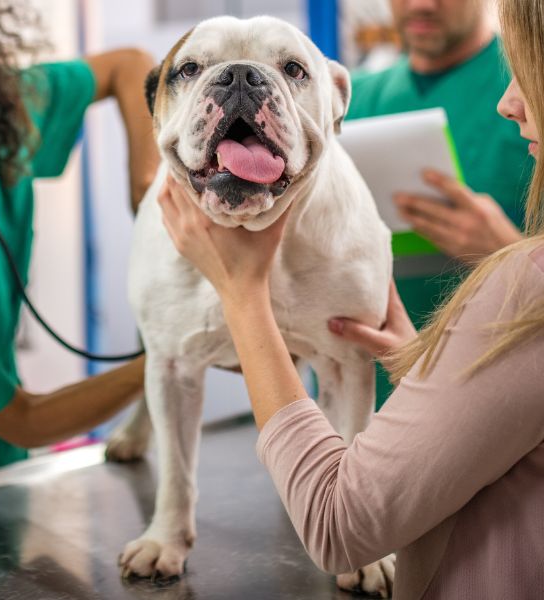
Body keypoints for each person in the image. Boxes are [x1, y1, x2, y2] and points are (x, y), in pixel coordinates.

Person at [157, 0, 544, 596]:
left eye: (528, 77)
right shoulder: (365, 89)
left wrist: (507, 256)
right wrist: (419, 357)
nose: (508, 103)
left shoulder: (527, 277)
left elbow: (341, 529)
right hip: (408, 402)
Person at [0, 0, 159, 483]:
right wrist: (174, 355)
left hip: (0, 478)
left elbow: (128, 66)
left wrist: (148, 189)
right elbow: (26, 419)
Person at [346, 0, 533, 409]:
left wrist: (503, 254)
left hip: (490, 405)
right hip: (357, 396)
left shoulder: (529, 96)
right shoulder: (350, 99)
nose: (421, 4)